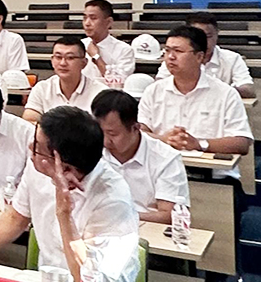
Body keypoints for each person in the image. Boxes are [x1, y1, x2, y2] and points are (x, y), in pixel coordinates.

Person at [0, 106, 141, 282]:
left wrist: (64, 214)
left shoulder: (113, 198)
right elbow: (16, 216)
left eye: (37, 147)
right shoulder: (38, 169)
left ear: (64, 167)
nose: (30, 148)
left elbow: (89, 278)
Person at [138, 26, 252, 165]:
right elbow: (138, 132)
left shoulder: (226, 94)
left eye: (178, 51)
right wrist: (163, 139)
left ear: (199, 57)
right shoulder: (153, 91)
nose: (171, 57)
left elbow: (241, 143)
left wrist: (199, 144)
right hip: (162, 168)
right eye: (167, 50)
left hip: (212, 172)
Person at [92, 90, 189, 224]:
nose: (105, 141)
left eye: (112, 134)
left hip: (148, 230)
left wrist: (121, 215)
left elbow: (170, 216)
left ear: (136, 128)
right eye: (100, 132)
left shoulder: (165, 158)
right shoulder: (91, 149)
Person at [156, 12, 254, 98]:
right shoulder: (176, 58)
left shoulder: (232, 58)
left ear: (217, 34)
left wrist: (213, 90)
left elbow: (248, 89)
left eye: (208, 36)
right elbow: (159, 85)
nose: (204, 42)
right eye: (197, 37)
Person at [22, 36, 108, 122]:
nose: (63, 63)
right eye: (58, 57)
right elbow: (29, 119)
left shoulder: (100, 93)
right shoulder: (42, 88)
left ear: (84, 63)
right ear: (52, 61)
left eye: (70, 58)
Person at [82, 0, 134, 84]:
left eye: (93, 18)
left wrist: (96, 57)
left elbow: (118, 83)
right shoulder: (79, 46)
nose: (87, 23)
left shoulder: (124, 50)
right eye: (84, 18)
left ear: (108, 22)